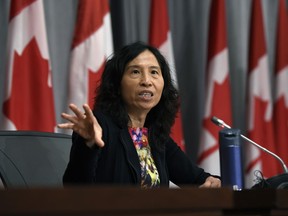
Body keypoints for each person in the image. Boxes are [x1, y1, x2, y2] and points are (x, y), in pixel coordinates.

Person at [58, 41, 221, 188]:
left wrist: (215, 182)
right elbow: (76, 191)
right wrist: (88, 146)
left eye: (154, 72)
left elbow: (196, 179)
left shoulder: (155, 136)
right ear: (117, 83)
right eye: (135, 72)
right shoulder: (99, 126)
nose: (146, 81)